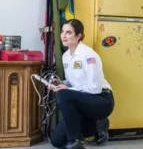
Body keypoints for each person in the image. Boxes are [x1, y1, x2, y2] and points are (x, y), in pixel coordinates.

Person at [49, 19, 115, 149]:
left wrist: (68, 89)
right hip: (82, 101)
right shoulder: (66, 56)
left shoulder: (89, 55)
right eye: (62, 32)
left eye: (68, 32)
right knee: (56, 141)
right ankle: (96, 125)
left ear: (78, 36)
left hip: (101, 100)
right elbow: (71, 81)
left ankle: (76, 141)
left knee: (64, 95)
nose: (63, 35)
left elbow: (95, 89)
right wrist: (59, 83)